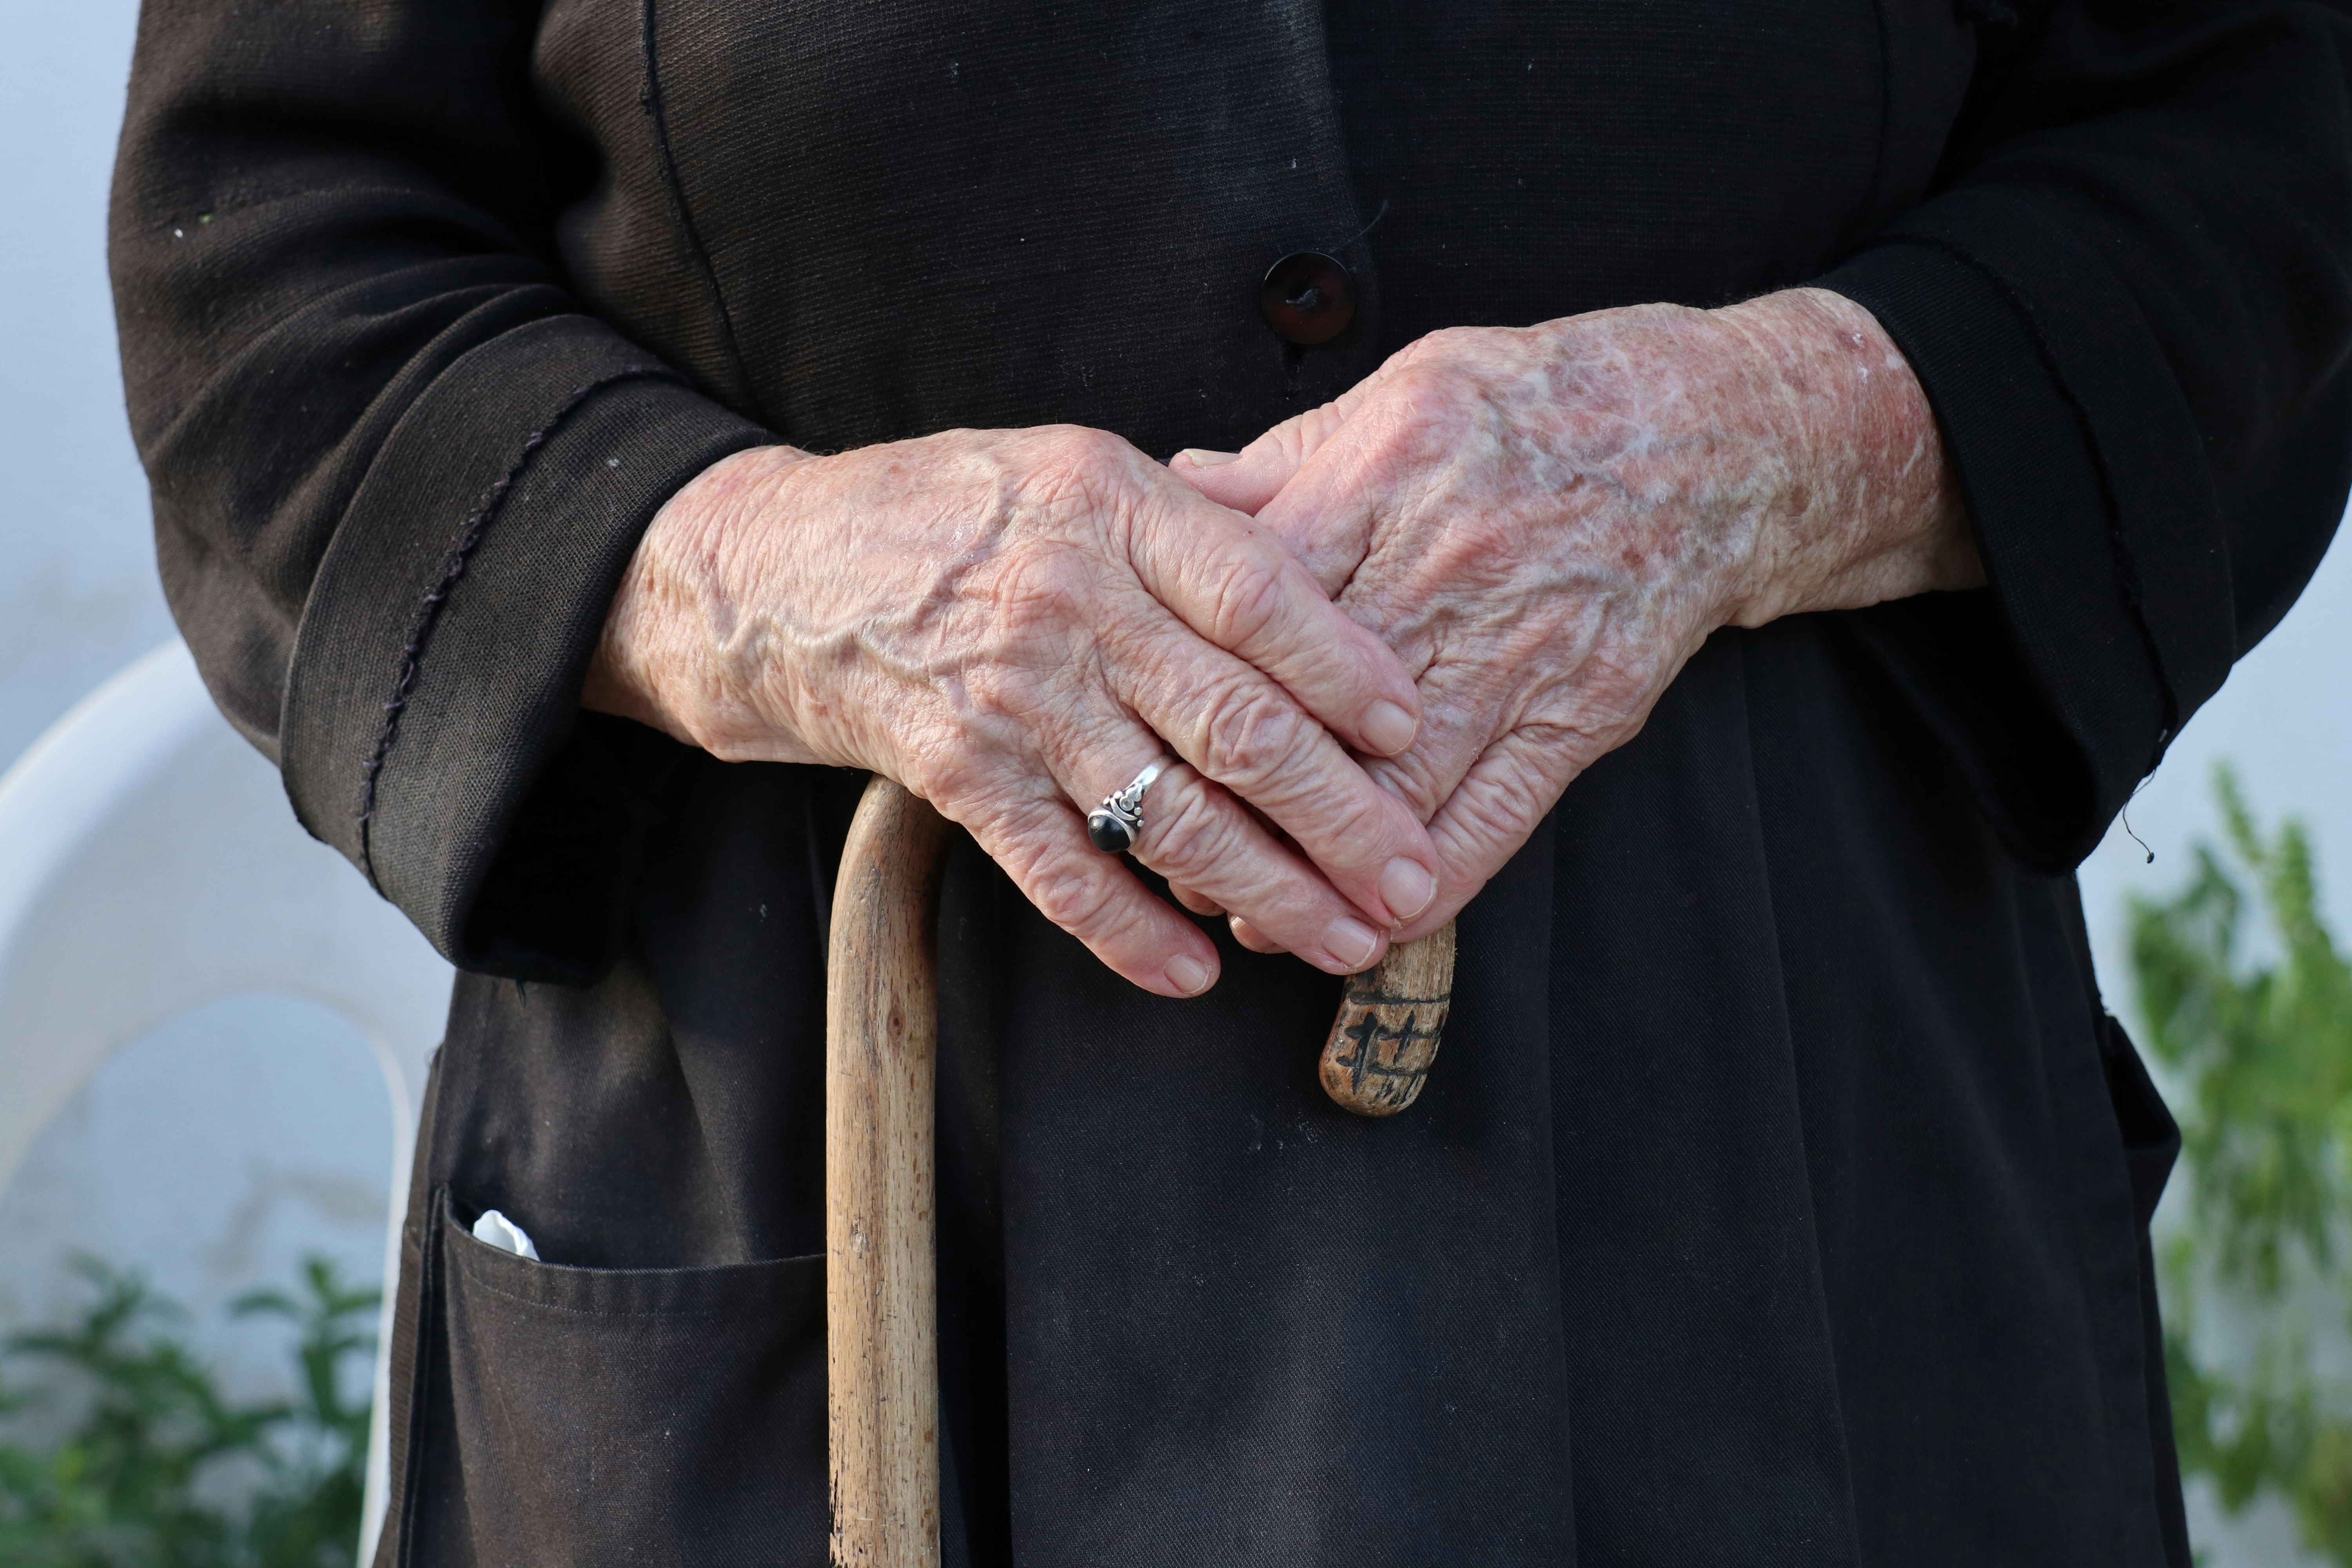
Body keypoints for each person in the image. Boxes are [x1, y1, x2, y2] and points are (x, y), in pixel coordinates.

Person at [109, 0, 2350, 1561]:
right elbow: (275, 279)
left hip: (1784, 1172)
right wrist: (781, 574)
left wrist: (1759, 444)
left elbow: (2263, 141)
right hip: (822, 1211)